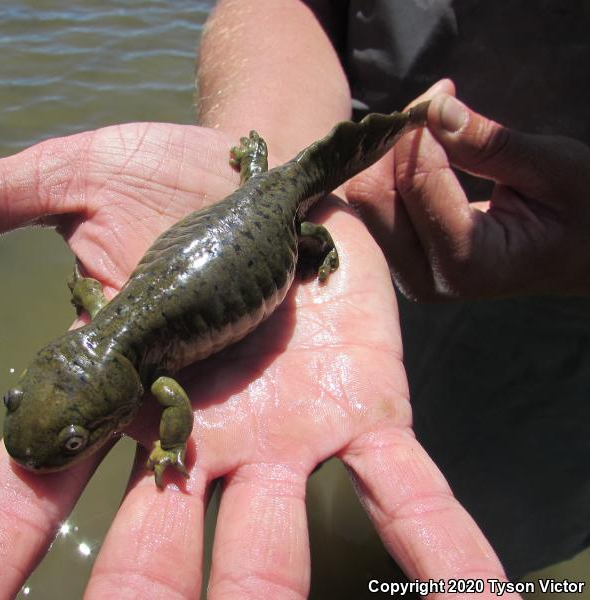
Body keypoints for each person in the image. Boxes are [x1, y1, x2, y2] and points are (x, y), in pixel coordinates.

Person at [0, 2, 589, 599]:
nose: (45, 439)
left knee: (450, 534)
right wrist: (251, 126)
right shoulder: (114, 330)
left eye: (74, 441)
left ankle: (312, 235)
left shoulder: (156, 380)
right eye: (24, 403)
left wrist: (173, 441)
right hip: (285, 207)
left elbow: (176, 404)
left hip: (531, 368)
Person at [197, 0, 590, 582]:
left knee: (471, 552)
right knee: (297, 496)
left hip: (555, 359)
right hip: (355, 230)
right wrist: (264, 178)